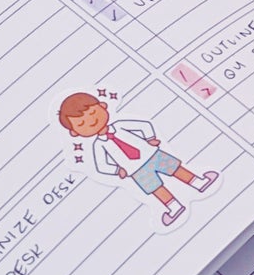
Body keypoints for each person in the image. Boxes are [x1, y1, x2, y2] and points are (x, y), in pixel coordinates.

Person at [57, 92, 217, 227]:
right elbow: (101, 165)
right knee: (155, 188)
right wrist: (117, 170)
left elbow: (143, 126)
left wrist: (150, 138)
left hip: (151, 154)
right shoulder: (99, 146)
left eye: (92, 113)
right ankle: (173, 206)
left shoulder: (120, 125)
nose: (91, 121)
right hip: (135, 170)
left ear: (103, 107)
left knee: (175, 169)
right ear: (75, 133)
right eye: (82, 123)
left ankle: (198, 182)